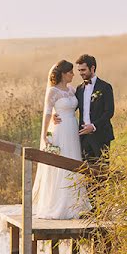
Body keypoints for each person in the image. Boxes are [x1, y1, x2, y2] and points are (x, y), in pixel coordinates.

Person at [31, 60, 91, 220]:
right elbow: (47, 112)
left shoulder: (72, 90)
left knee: (73, 162)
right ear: (64, 74)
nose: (73, 74)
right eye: (71, 72)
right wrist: (45, 135)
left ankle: (76, 204)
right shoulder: (53, 91)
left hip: (72, 130)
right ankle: (58, 205)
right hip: (60, 130)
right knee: (60, 166)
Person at [73, 54, 115, 161]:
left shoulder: (105, 87)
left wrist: (93, 126)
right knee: (85, 171)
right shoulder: (79, 89)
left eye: (83, 70)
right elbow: (72, 107)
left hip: (101, 135)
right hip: (84, 137)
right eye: (79, 70)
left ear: (92, 68)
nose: (81, 73)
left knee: (102, 171)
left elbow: (109, 112)